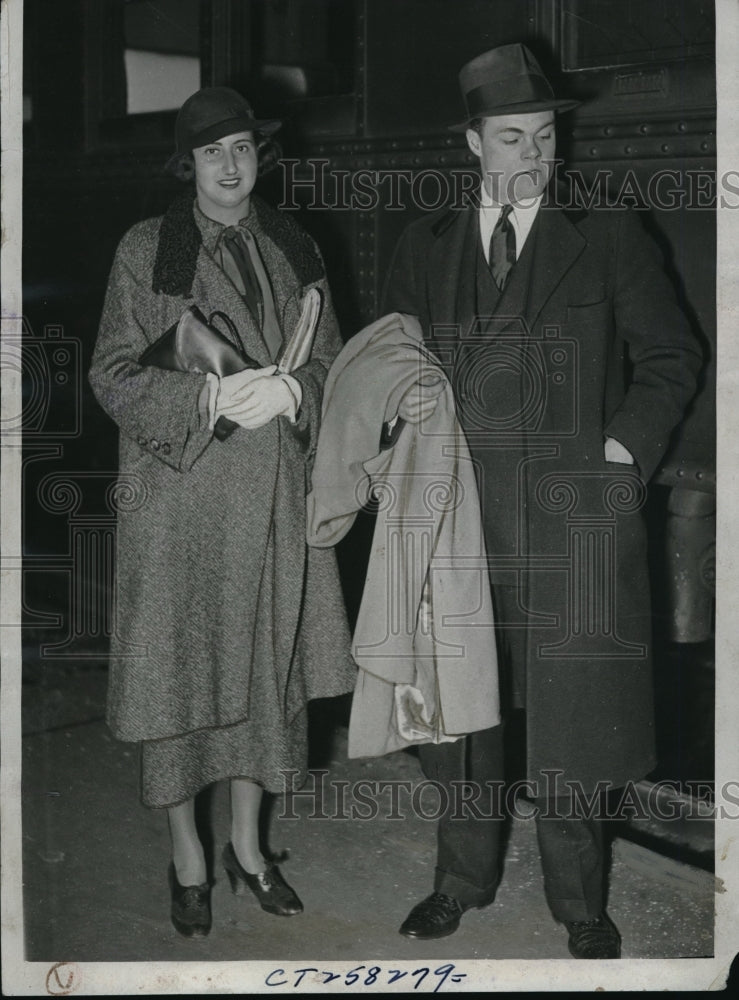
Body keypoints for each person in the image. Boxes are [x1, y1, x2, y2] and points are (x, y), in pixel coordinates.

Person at [381, 44, 702, 958]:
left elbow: (671, 357)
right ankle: (459, 881)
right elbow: (390, 366)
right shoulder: (423, 245)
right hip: (457, 525)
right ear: (471, 142)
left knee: (574, 721)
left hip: (571, 521)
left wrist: (618, 453)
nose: (533, 155)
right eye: (511, 137)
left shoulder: (606, 231)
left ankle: (579, 902)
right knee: (462, 716)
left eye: (546, 136)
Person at [88, 87, 355, 939]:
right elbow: (111, 373)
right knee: (178, 684)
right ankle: (188, 861)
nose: (231, 166)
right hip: (182, 507)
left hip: (274, 499)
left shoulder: (292, 244)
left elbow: (336, 364)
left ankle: (248, 849)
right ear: (189, 164)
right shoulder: (147, 249)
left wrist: (296, 392)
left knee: (265, 682)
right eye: (212, 152)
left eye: (242, 147)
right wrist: (206, 400)